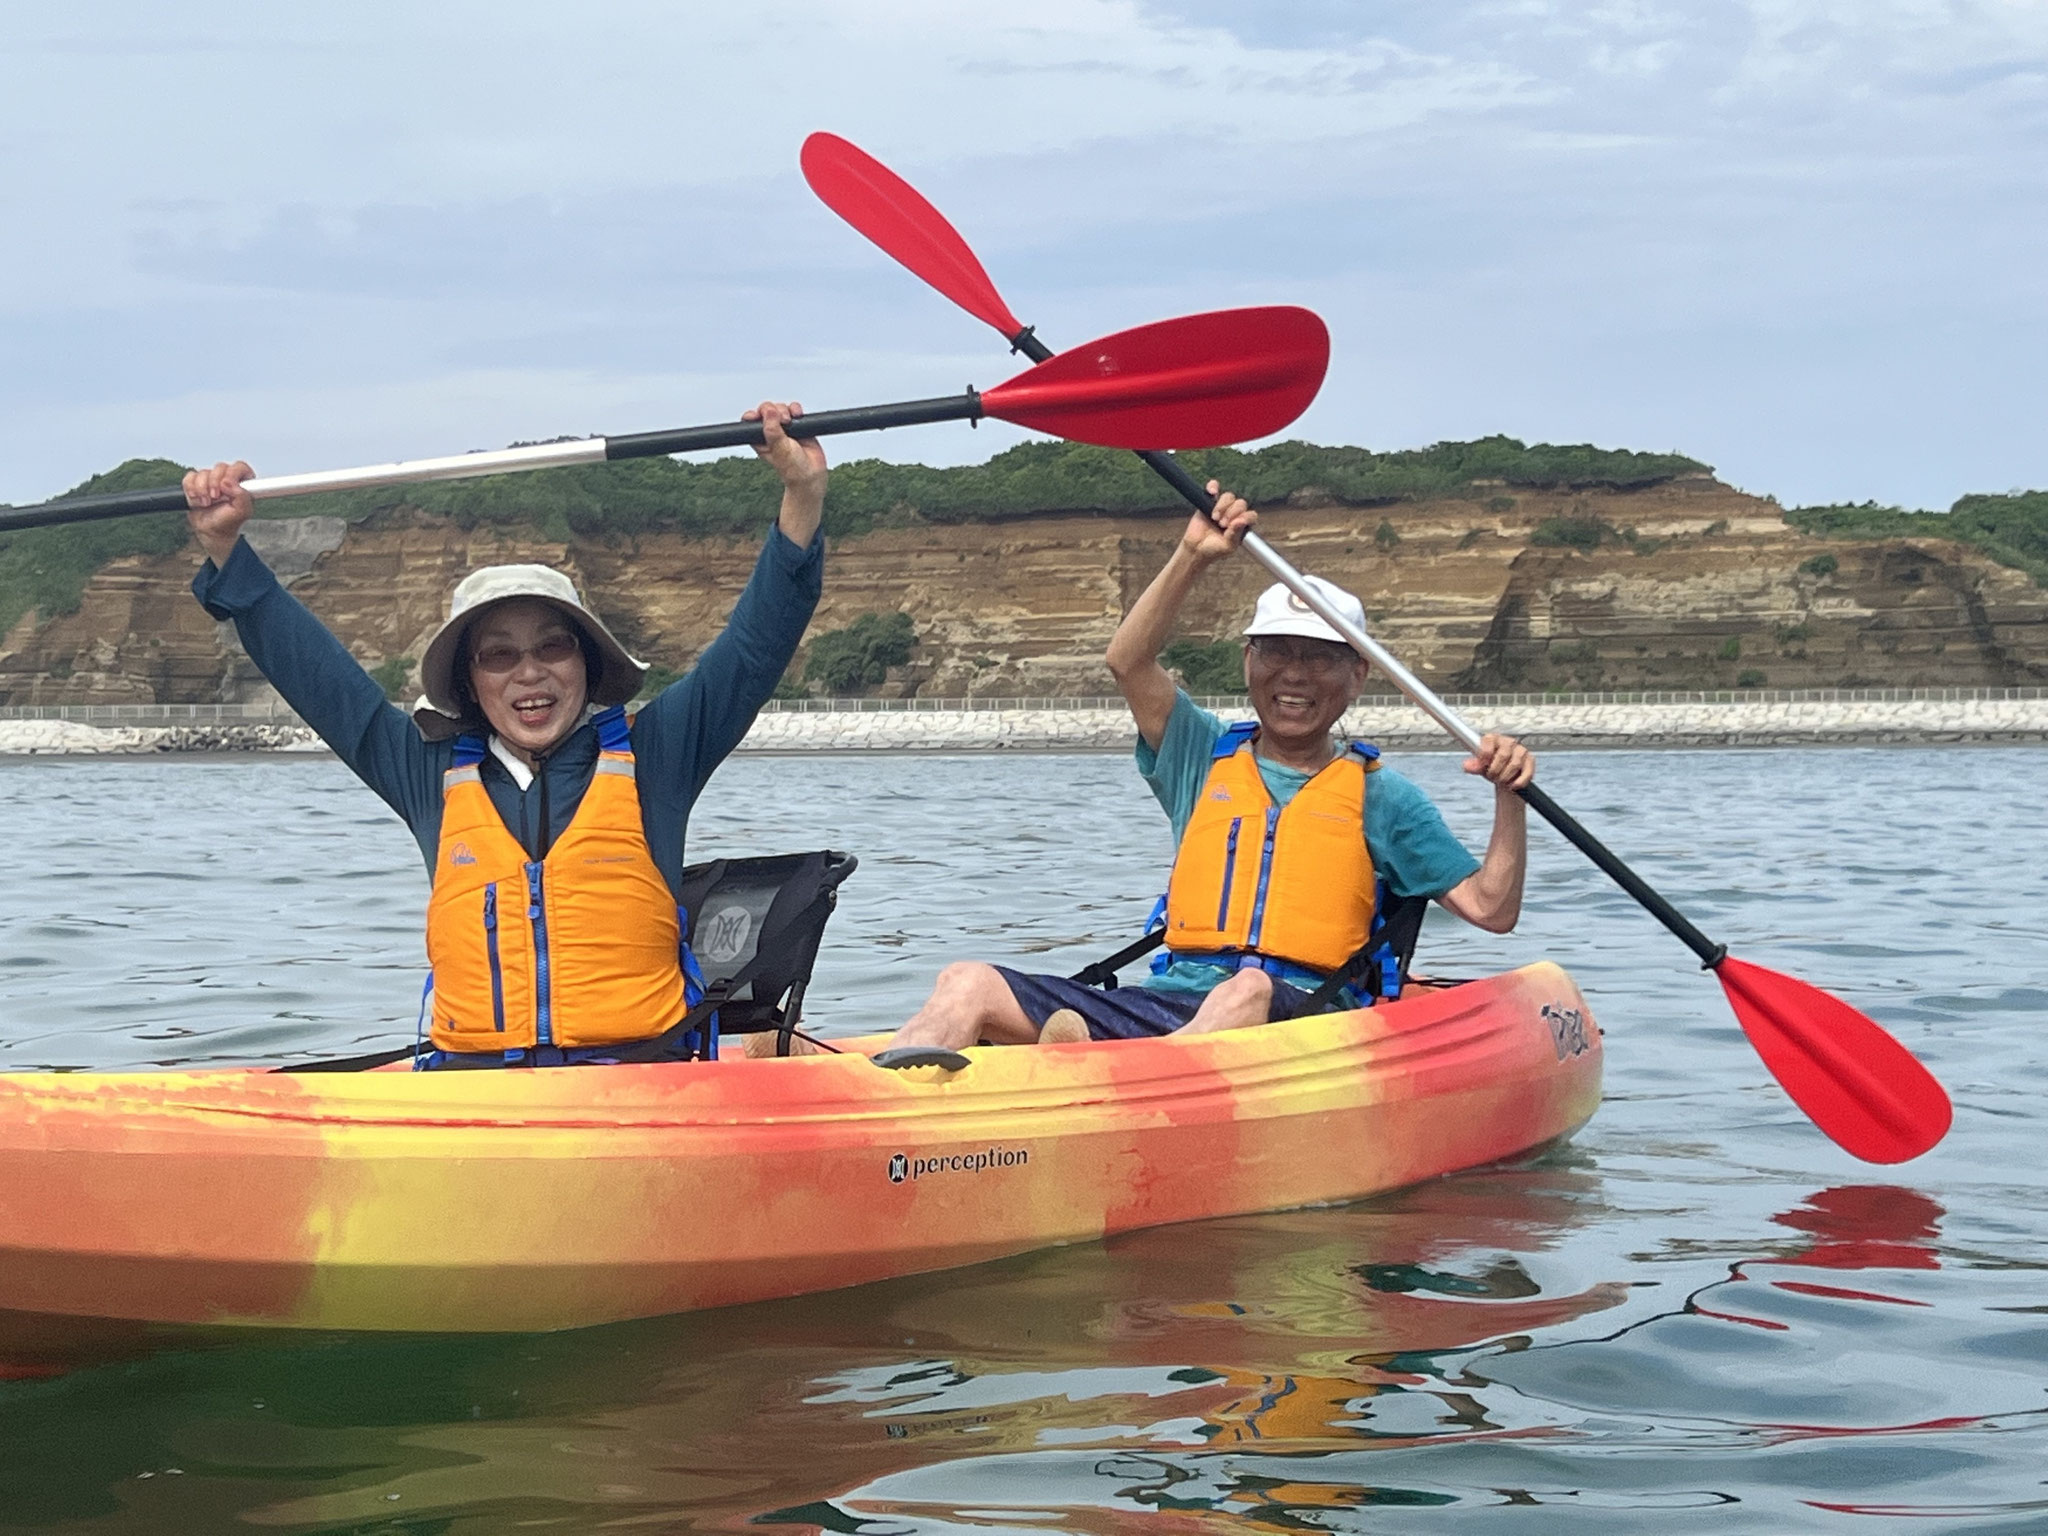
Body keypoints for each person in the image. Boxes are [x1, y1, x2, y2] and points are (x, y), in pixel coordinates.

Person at [182, 403, 827, 1068]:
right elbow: (319, 679)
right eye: (500, 655)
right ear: (471, 679)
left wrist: (802, 492)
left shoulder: (658, 754)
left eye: (553, 647)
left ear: (586, 661)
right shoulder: (424, 772)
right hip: (477, 1093)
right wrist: (228, 549)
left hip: (639, 1085)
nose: (530, 674)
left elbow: (754, 647)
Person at [887, 485, 1537, 1051]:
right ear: (1248, 660)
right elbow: (1128, 662)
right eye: (1277, 653)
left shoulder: (1386, 798)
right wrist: (1192, 555)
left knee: (1247, 989)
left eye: (1318, 658)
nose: (1294, 675)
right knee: (965, 980)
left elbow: (1491, 908)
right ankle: (889, 1101)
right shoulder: (1202, 754)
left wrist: (1511, 796)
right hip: (1173, 1005)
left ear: (1357, 675)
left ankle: (1116, 1074)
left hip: (1306, 1019)